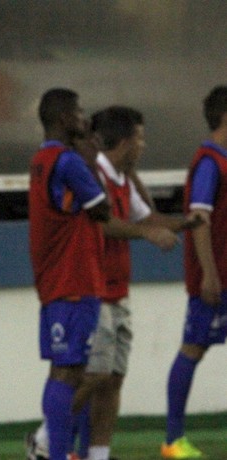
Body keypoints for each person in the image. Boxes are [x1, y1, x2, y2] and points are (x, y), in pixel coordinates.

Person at [28, 106, 203, 460]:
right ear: (124, 141)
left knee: (112, 379)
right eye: (139, 138)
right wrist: (150, 233)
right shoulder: (92, 173)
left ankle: (97, 453)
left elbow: (146, 215)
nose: (143, 145)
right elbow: (104, 222)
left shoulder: (120, 177)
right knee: (92, 374)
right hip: (94, 288)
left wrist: (183, 224)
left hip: (117, 290)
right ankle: (46, 438)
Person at [27, 88, 111, 460]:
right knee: (70, 372)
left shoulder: (41, 159)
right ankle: (55, 452)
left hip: (54, 281)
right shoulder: (69, 161)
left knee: (63, 371)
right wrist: (91, 161)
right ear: (64, 119)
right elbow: (103, 209)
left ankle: (58, 450)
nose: (84, 118)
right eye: (79, 112)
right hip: (74, 279)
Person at [162, 85, 227, 459]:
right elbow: (200, 219)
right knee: (193, 348)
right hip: (216, 278)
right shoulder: (209, 162)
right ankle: (173, 440)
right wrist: (209, 274)